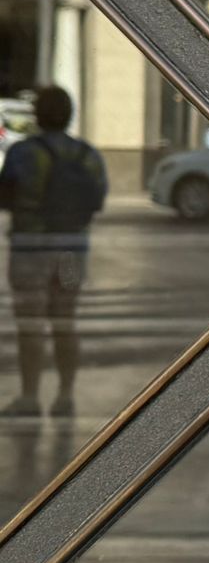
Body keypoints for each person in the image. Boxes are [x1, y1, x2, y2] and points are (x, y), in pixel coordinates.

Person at [0, 86, 107, 418]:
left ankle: (30, 397)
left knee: (30, 324)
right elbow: (98, 200)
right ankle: (65, 396)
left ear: (37, 117)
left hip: (30, 251)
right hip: (71, 253)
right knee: (65, 321)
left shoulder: (23, 153)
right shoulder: (88, 155)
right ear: (70, 115)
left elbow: (4, 198)